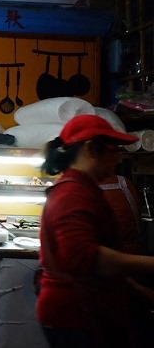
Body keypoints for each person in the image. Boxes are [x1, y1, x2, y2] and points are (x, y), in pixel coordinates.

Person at [37, 114, 154, 348]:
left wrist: (137, 290)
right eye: (114, 149)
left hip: (87, 311)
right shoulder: (72, 194)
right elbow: (85, 257)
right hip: (74, 315)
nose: (118, 157)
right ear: (90, 149)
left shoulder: (84, 188)